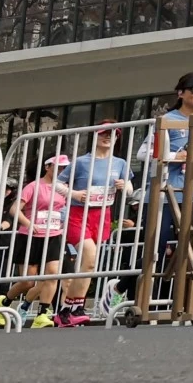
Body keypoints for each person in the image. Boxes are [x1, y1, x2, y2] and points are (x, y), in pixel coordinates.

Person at [60, 125, 134, 322]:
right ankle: (71, 308)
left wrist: (124, 186)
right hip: (78, 214)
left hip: (102, 214)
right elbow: (58, 184)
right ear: (95, 136)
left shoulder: (120, 163)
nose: (107, 137)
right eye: (103, 134)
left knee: (89, 264)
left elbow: (130, 188)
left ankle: (71, 308)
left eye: (112, 134)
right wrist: (74, 194)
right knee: (90, 256)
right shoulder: (81, 162)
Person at [154, 72, 193, 265]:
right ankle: (128, 283)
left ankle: (186, 285)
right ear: (180, 93)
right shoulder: (167, 119)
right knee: (157, 249)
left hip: (191, 194)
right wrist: (174, 156)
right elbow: (144, 153)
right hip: (165, 194)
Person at [6, 154, 75, 321]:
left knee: (52, 274)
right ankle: (5, 301)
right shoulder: (33, 186)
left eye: (64, 168)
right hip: (31, 237)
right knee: (28, 282)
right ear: (47, 167)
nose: (62, 171)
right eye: (58, 167)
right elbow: (14, 209)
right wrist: (29, 224)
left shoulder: (64, 188)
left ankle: (42, 315)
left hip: (54, 235)